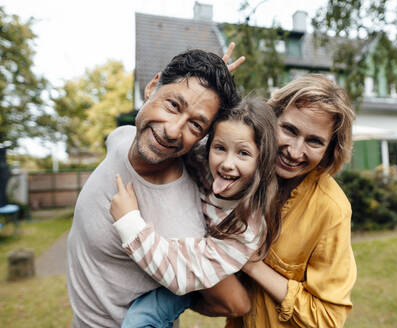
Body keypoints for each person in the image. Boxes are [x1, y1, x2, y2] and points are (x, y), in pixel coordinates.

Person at [66, 48, 247, 327]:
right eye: (173, 105)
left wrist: (177, 295)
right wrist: (211, 77)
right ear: (152, 86)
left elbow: (235, 302)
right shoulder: (123, 137)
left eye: (196, 125)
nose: (174, 130)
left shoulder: (180, 222)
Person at [109, 98, 281, 327]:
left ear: (263, 159)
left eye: (243, 153)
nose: (227, 163)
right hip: (179, 255)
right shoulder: (200, 160)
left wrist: (129, 223)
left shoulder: (246, 228)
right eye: (220, 148)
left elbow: (181, 277)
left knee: (139, 320)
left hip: (197, 273)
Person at [226, 74, 358, 327]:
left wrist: (252, 265)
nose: (295, 152)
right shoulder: (246, 173)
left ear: (330, 149)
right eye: (289, 130)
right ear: (271, 118)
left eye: (314, 141)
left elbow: (328, 318)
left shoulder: (331, 209)